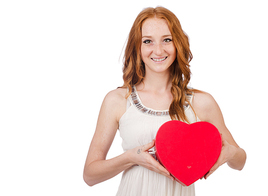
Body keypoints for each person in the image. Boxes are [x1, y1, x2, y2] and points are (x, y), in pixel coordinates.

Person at [83, 6, 246, 196]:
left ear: (177, 44)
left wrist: (230, 153)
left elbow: (240, 162)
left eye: (167, 40)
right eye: (148, 41)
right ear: (138, 47)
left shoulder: (202, 102)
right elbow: (90, 175)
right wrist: (131, 158)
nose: (158, 50)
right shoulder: (117, 100)